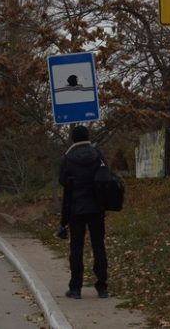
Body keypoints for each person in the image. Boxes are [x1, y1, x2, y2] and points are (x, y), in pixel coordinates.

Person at [58, 124, 109, 299]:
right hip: (96, 208)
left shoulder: (67, 158)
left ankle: (75, 288)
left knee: (76, 248)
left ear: (73, 139)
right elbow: (106, 176)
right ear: (87, 137)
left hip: (76, 209)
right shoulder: (98, 155)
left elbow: (62, 181)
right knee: (99, 246)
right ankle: (102, 287)